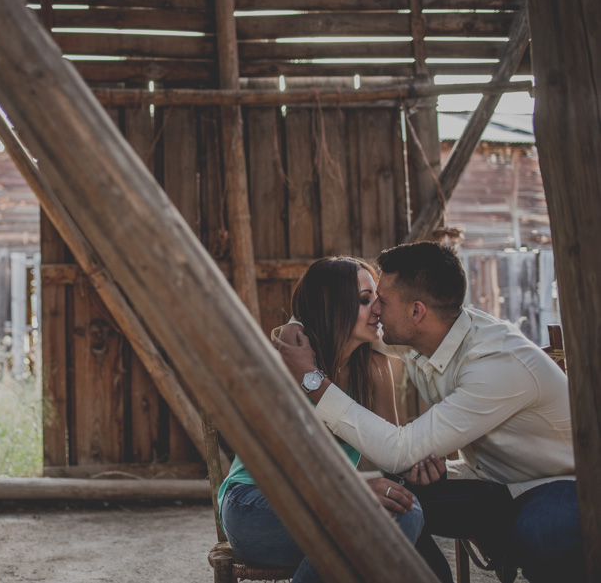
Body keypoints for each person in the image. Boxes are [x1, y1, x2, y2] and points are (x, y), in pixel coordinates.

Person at [273, 242, 584, 583]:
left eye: (382, 300)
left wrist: (313, 381)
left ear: (416, 312)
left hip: (565, 484)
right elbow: (330, 313)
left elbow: (397, 449)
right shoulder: (420, 335)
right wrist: (291, 328)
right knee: (397, 499)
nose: (375, 308)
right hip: (496, 482)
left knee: (540, 532)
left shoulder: (496, 363)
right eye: (370, 298)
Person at [218, 257, 425, 583]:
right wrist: (354, 494)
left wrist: (419, 460)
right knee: (375, 535)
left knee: (407, 512)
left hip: (332, 511)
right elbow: (284, 470)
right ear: (332, 306)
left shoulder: (375, 369)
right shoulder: (289, 365)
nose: (377, 309)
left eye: (376, 298)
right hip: (257, 505)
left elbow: (391, 455)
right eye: (363, 299)